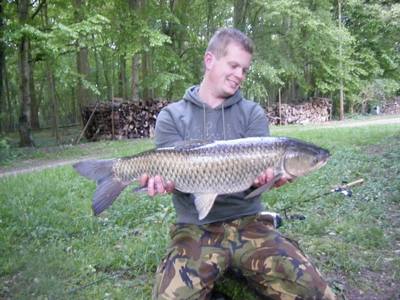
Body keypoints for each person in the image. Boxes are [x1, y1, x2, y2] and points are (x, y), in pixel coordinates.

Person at [140, 28, 336, 300]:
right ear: (210, 60)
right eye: (233, 65)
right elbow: (168, 173)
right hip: (195, 227)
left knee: (317, 294)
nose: (239, 75)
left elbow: (261, 184)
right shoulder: (172, 116)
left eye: (244, 70)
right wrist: (162, 182)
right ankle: (215, 269)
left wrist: (268, 181)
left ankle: (237, 264)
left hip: (249, 224)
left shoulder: (252, 113)